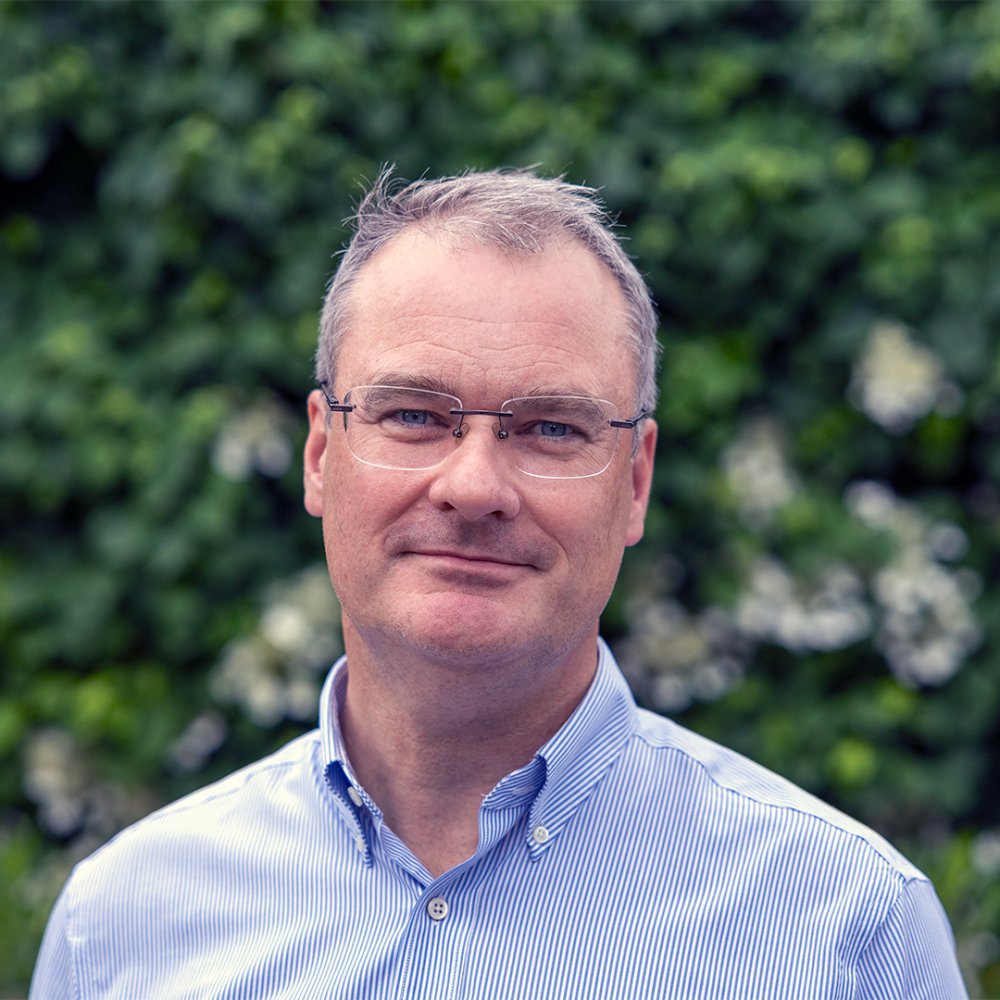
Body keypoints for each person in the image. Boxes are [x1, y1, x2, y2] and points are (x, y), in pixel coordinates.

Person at [30, 167, 967, 999]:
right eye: (412, 414)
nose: (474, 485)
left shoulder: (845, 931)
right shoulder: (119, 927)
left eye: (552, 428)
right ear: (320, 455)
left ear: (636, 482)